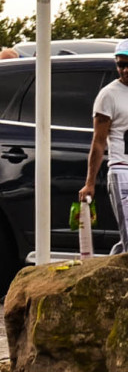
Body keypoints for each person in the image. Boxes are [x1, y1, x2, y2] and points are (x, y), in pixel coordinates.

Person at [80, 40, 128, 255]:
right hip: (121, 169)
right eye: (121, 64)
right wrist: (89, 182)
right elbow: (98, 141)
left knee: (124, 243)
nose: (125, 69)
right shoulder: (109, 95)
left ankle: (110, 275)